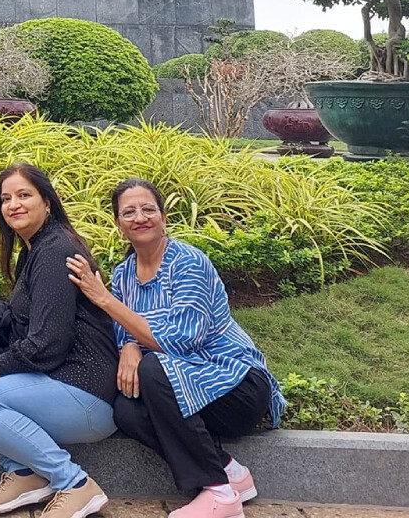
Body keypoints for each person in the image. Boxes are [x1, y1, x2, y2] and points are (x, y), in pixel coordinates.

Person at [66, 178, 286, 518]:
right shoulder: (124, 274)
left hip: (235, 386)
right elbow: (123, 331)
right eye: (129, 212)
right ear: (119, 223)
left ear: (163, 217)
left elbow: (180, 340)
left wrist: (105, 300)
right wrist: (128, 347)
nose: (140, 217)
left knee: (153, 368)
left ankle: (218, 492)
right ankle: (230, 472)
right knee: (126, 410)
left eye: (148, 209)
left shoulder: (188, 263)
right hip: (185, 391)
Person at [0, 164, 117, 518]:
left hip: (87, 393)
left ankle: (74, 483)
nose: (13, 204)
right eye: (6, 198)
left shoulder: (55, 250)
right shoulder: (34, 250)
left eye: (24, 195)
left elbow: (48, 343)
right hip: (60, 382)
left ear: (47, 201)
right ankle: (25, 474)